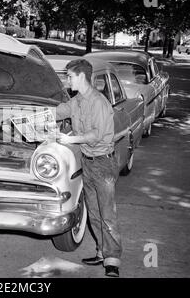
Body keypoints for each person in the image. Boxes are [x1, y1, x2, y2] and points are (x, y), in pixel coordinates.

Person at [55, 58, 122, 277]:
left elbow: (96, 135)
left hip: (104, 163)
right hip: (88, 162)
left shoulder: (98, 102)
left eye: (70, 76)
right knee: (93, 212)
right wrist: (33, 116)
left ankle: (113, 260)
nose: (67, 80)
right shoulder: (77, 101)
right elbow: (60, 111)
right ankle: (102, 252)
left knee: (107, 214)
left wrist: (70, 140)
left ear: (81, 76)